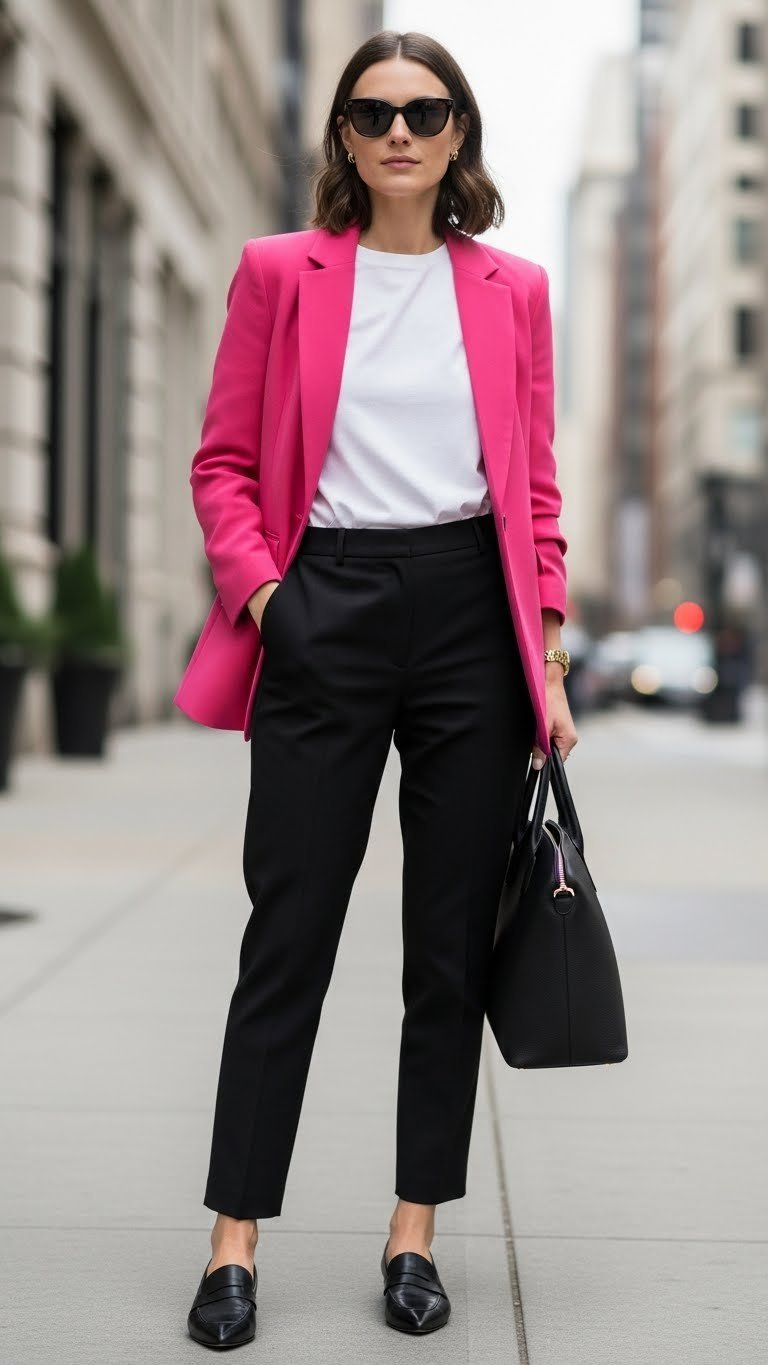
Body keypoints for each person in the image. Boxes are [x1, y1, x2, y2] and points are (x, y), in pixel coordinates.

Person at [177, 28, 578, 1351]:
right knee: (287, 930)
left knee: (447, 949)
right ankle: (234, 1241)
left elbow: (532, 489)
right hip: (327, 604)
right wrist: (271, 598)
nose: (399, 131)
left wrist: (550, 649)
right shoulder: (275, 275)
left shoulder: (513, 289)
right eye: (372, 112)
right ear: (343, 138)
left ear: (458, 132)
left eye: (425, 109)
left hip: (472, 616)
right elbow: (224, 462)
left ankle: (414, 1231)